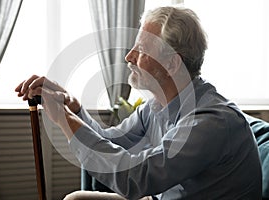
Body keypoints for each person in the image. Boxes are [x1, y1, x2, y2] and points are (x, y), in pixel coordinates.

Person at [15, 6, 262, 200]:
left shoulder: (211, 122)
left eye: (142, 49)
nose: (128, 56)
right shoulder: (156, 106)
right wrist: (73, 107)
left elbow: (137, 178)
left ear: (172, 64)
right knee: (75, 199)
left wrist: (64, 119)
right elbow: (108, 140)